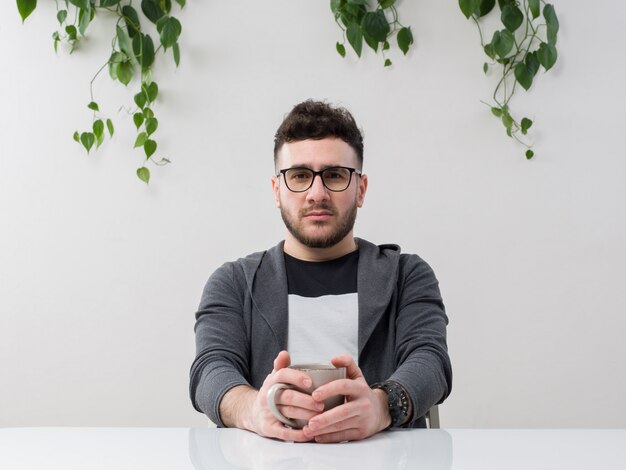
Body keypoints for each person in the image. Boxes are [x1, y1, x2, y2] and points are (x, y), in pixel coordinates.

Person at [189, 100, 452, 443]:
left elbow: (431, 361)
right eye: (299, 175)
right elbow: (209, 370)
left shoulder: (407, 276)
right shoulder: (233, 283)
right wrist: (253, 409)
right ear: (277, 190)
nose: (317, 193)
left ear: (360, 188)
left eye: (335, 175)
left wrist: (382, 406)